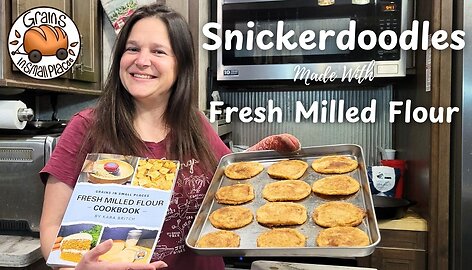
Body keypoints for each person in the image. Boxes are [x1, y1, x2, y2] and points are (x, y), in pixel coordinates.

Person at [39, 3, 300, 270]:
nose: (142, 60)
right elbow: (51, 225)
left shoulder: (195, 123)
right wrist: (72, 268)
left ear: (180, 66)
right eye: (132, 48)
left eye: (158, 51)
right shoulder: (85, 128)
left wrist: (257, 160)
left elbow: (224, 182)